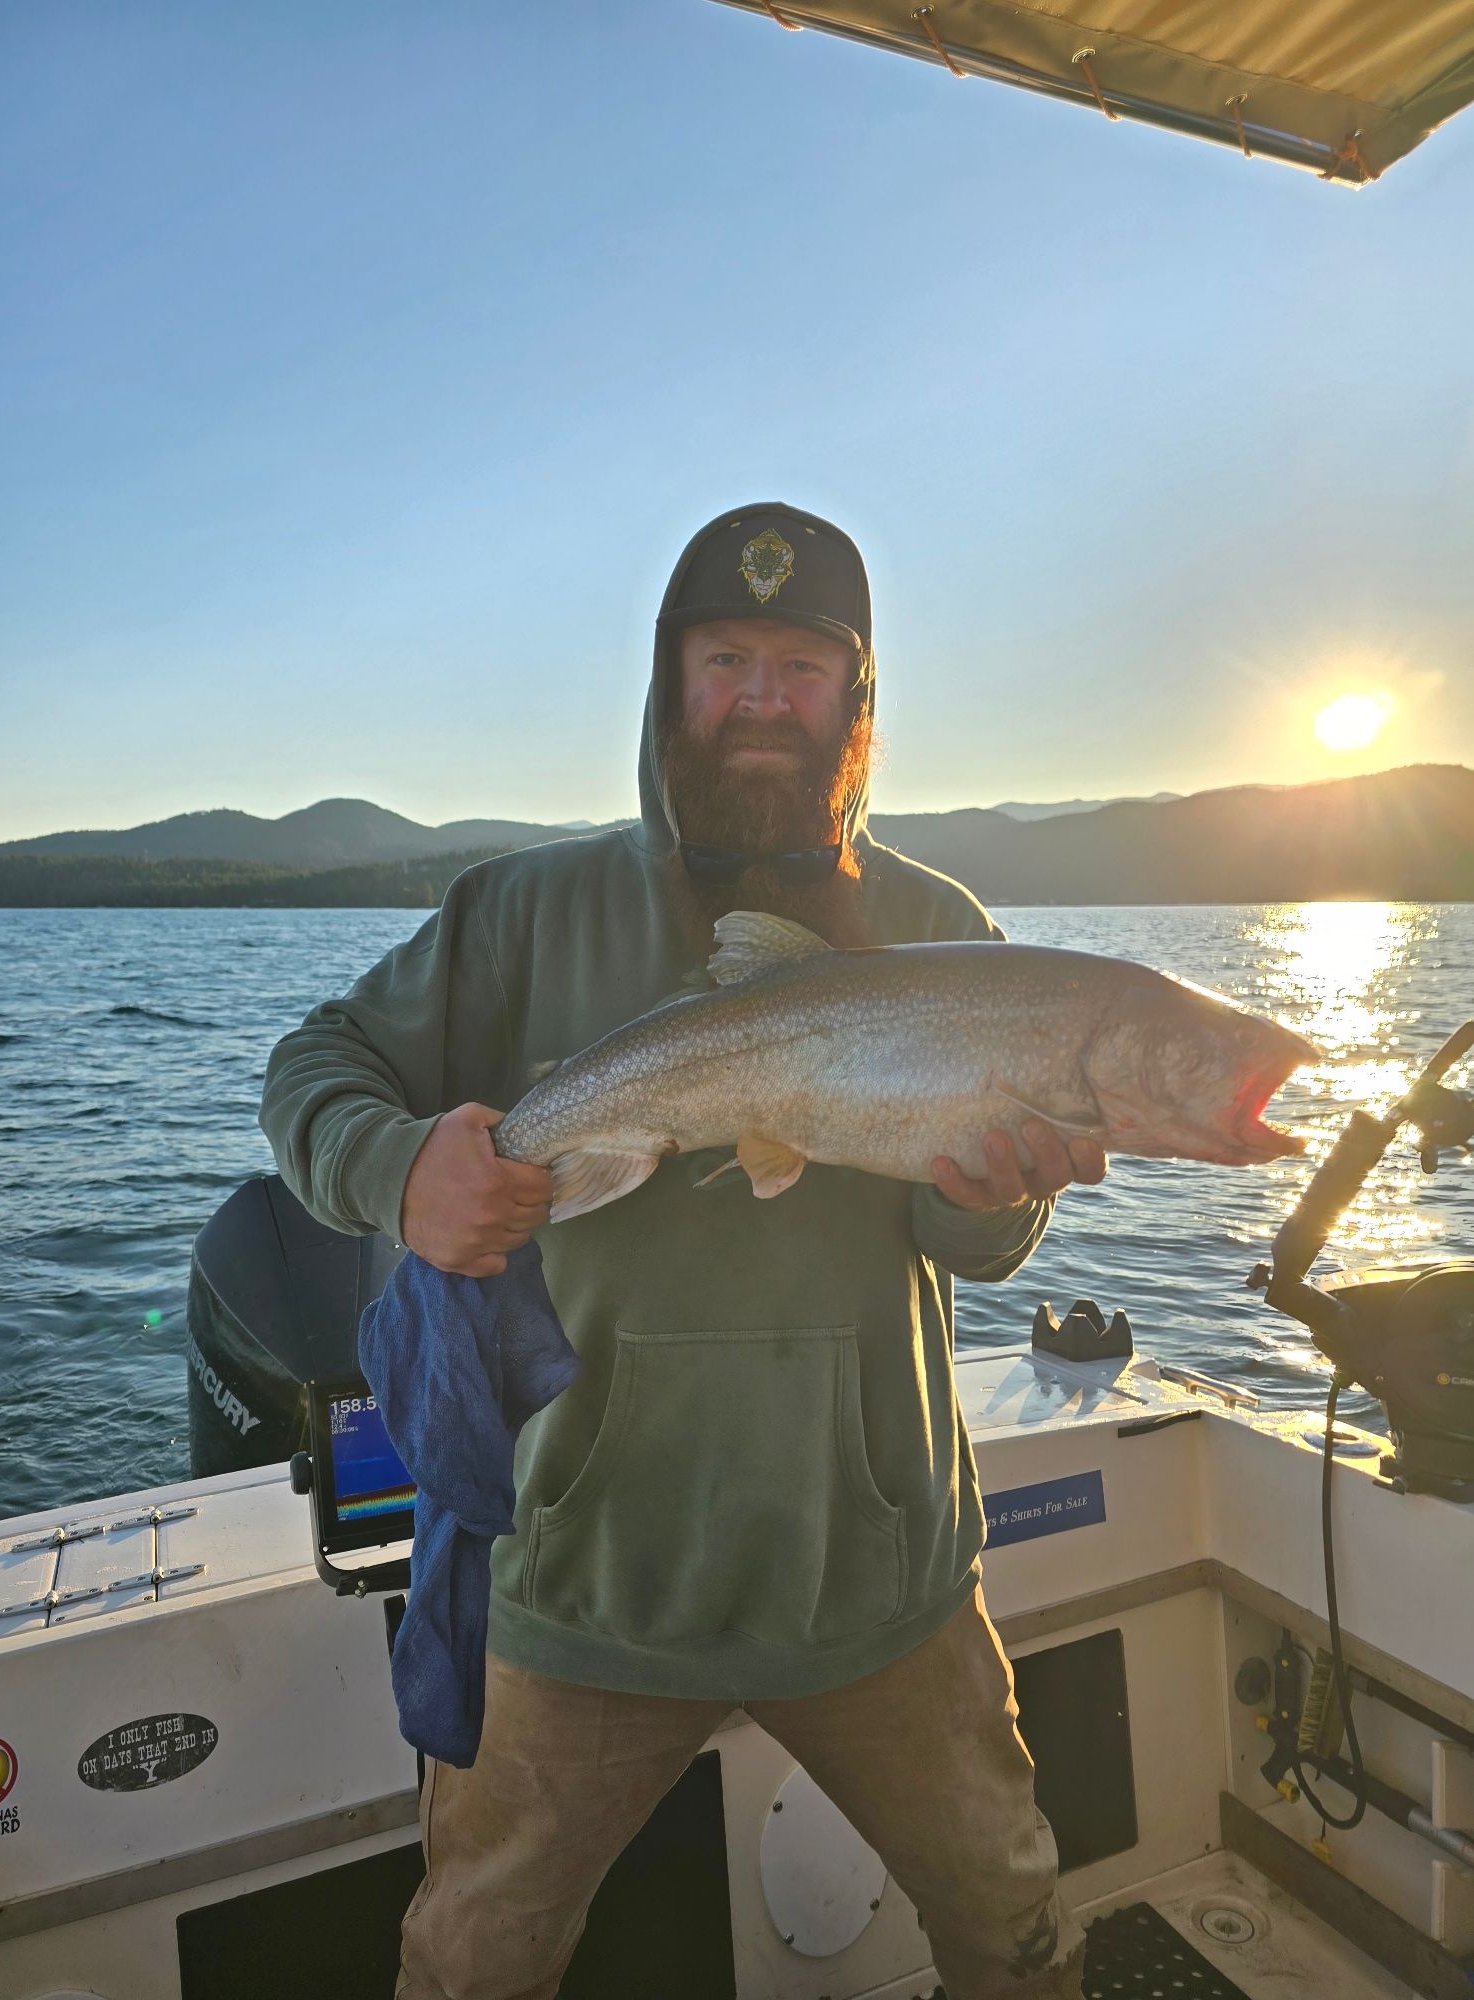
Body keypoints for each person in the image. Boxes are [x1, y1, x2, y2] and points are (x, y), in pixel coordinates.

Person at [260, 503, 1106, 2000]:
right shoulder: (517, 913)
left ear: (858, 701)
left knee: (1014, 1929)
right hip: (583, 1585)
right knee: (471, 1966)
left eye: (803, 665)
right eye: (727, 659)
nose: (765, 700)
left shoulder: (942, 929)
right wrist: (401, 1176)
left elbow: (973, 1245)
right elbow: (314, 1066)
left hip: (876, 1579)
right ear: (671, 683)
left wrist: (996, 1192)